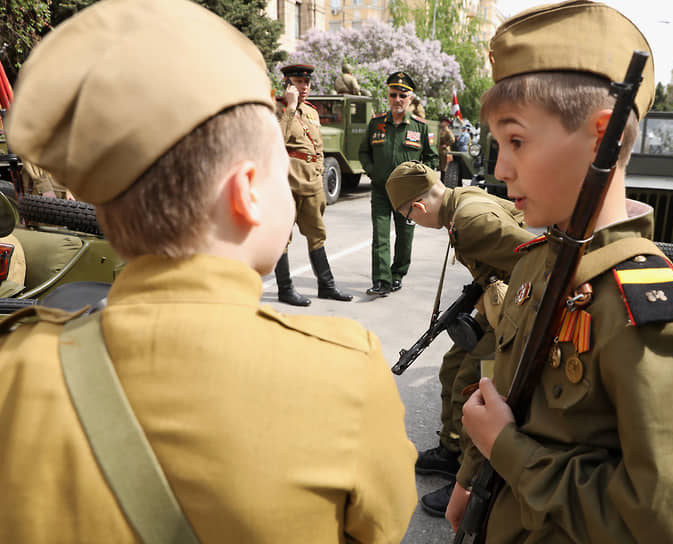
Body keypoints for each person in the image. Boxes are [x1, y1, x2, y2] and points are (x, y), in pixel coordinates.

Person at [0, 1, 417, 543]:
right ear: (246, 192)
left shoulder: (14, 374)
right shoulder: (346, 372)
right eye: (278, 170)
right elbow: (385, 524)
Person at [445, 2, 673, 542]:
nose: (500, 168)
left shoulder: (633, 305)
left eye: (517, 141)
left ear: (603, 136)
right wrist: (471, 476)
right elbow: (512, 393)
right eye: (498, 144)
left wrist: (508, 451)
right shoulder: (541, 258)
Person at [385, 160, 534, 518]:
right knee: (453, 365)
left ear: (417, 207)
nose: (413, 221)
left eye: (408, 216)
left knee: (471, 383)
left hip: (524, 307)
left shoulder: (469, 222)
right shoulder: (460, 200)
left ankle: (469, 481)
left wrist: (505, 296)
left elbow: (540, 256)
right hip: (502, 298)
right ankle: (452, 450)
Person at [275, 63, 353, 306]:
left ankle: (326, 286)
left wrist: (319, 170)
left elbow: (318, 147)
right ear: (287, 83)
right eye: (299, 82)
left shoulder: (311, 112)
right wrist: (289, 107)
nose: (304, 87)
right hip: (288, 181)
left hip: (311, 181)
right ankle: (285, 289)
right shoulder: (276, 109)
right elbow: (277, 139)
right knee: (281, 237)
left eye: (307, 83)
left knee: (317, 234)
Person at [359, 71, 438, 296]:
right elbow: (363, 152)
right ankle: (381, 281)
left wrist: (423, 183)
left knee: (405, 237)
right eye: (393, 95)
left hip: (408, 194)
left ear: (410, 98)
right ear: (388, 95)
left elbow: (431, 158)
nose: (397, 100)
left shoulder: (420, 127)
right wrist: (373, 172)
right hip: (382, 191)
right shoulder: (376, 124)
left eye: (402, 96)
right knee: (380, 236)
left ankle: (397, 274)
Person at [438, 117, 456, 182]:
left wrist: (446, 145)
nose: (441, 123)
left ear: (447, 123)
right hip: (440, 151)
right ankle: (441, 180)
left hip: (445, 152)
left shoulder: (447, 131)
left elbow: (452, 139)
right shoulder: (442, 130)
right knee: (441, 167)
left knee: (444, 167)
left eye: (443, 122)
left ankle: (444, 181)